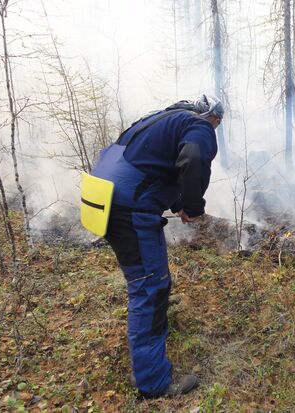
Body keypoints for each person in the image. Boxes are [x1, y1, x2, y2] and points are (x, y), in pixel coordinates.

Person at [90, 95, 223, 398]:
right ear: (213, 118)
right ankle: (154, 383)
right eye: (217, 124)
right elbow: (193, 158)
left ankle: (157, 319)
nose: (215, 129)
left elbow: (153, 164)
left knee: (154, 280)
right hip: (129, 210)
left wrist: (175, 204)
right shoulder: (199, 125)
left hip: (106, 200)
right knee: (149, 287)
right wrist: (192, 206)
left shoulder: (159, 118)